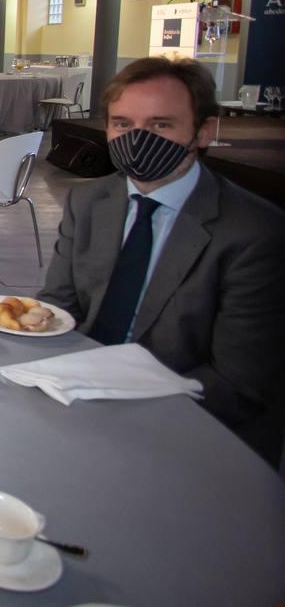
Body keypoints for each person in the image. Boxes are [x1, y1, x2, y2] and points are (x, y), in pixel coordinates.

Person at [38, 57, 284, 463]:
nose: (138, 139)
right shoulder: (90, 201)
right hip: (76, 404)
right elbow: (58, 310)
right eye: (122, 124)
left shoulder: (253, 233)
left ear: (203, 131)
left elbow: (239, 385)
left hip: (188, 434)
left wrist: (116, 413)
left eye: (160, 125)